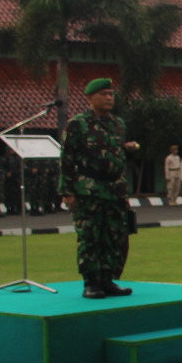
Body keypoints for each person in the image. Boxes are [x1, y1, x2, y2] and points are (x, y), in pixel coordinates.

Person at [59, 78, 139, 299]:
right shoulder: (78, 124)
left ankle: (107, 280)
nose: (109, 98)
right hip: (89, 189)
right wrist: (67, 191)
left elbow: (113, 152)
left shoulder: (118, 124)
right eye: (104, 94)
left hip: (115, 189)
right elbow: (66, 159)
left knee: (114, 235)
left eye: (111, 94)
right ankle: (91, 282)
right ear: (90, 98)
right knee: (90, 236)